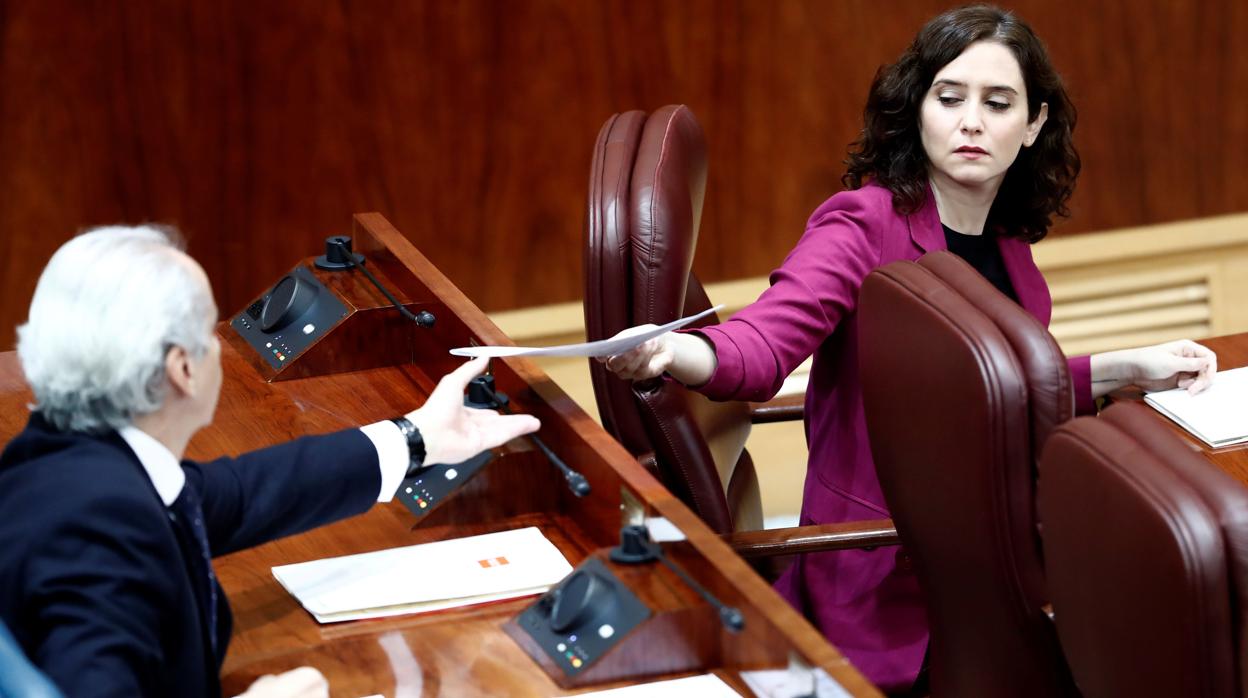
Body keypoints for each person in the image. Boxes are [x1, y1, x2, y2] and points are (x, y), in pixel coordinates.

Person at [602, 4, 1216, 692]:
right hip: (886, 574)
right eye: (949, 98)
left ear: (1035, 123)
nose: (971, 122)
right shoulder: (863, 224)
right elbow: (765, 343)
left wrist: (1123, 366)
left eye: (999, 102)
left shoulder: (1008, 243)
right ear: (917, 110)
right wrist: (673, 354)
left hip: (990, 549)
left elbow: (989, 388)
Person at [0, 225, 540, 698]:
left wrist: (416, 438)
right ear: (183, 369)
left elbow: (235, 495)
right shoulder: (94, 544)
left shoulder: (56, 461)